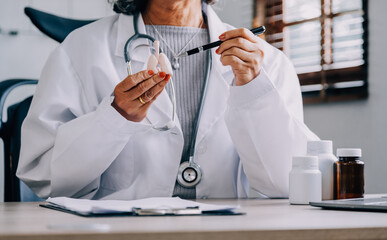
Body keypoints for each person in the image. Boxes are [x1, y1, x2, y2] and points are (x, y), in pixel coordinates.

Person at [17, 0, 318, 200]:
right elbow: (42, 175)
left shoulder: (266, 63)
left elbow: (288, 183)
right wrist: (114, 118)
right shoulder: (79, 50)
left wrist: (253, 87)